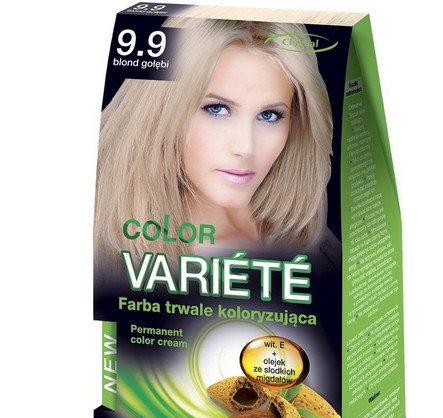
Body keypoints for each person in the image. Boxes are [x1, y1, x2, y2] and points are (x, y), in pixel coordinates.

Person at [94, 13, 338, 275]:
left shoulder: (313, 242)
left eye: (269, 115)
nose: (245, 147)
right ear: (161, 111)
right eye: (217, 109)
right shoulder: (112, 258)